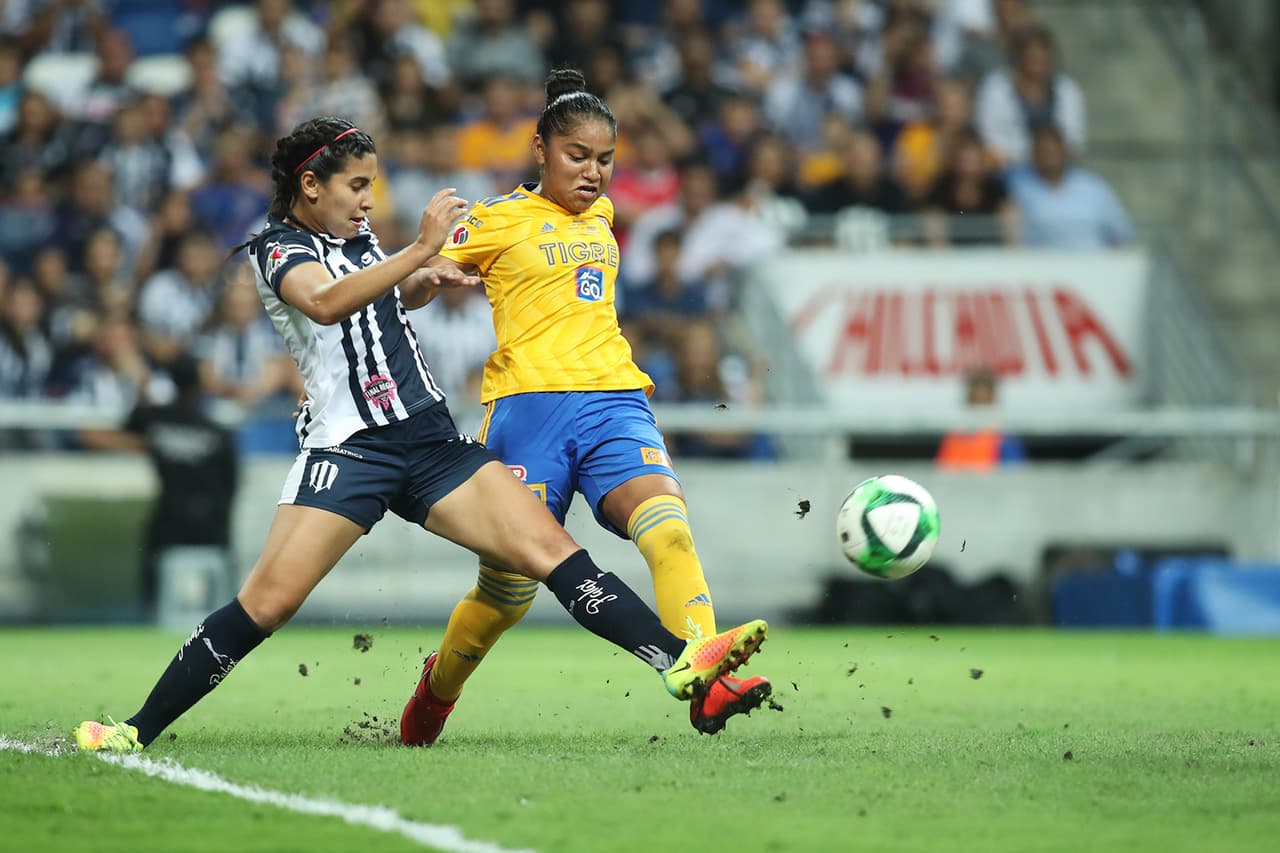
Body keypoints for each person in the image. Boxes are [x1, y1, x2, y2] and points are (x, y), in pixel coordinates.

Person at [72, 116, 768, 753]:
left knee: (551, 552)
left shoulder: (361, 241)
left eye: (371, 184)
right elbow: (323, 303)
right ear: (308, 186)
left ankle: (680, 662)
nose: (367, 198)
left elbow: (373, 301)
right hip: (351, 450)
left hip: (432, 441)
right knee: (269, 602)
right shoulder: (278, 248)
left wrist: (419, 283)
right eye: (355, 185)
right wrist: (419, 250)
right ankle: (136, 728)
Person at [407, 70, 775, 747]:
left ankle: (705, 677)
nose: (594, 173)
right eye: (577, 155)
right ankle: (438, 691)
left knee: (668, 529)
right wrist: (426, 277)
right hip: (527, 412)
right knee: (506, 594)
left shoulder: (603, 215)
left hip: (615, 400)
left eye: (605, 159)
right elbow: (408, 287)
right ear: (539, 148)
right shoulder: (493, 220)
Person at [79, 352, 240, 616]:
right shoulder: (216, 431)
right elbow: (231, 483)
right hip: (210, 518)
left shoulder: (154, 419)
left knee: (154, 568)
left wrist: (142, 439)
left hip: (169, 513)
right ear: (200, 385)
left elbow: (110, 433)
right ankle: (223, 617)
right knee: (216, 574)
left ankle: (150, 613)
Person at [936, 368, 1027, 470]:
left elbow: (1015, 475)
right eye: (975, 400)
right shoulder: (953, 436)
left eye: (983, 401)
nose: (979, 407)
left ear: (993, 401)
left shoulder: (1005, 438)